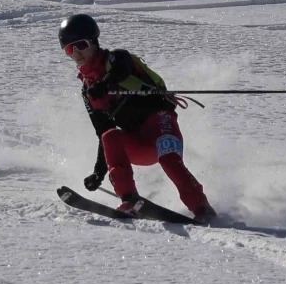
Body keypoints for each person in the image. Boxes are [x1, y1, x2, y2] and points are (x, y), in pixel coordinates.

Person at [59, 13, 217, 223]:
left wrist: (105, 85)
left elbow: (121, 71)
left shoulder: (116, 58)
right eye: (70, 49)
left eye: (81, 44)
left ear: (94, 41)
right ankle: (129, 200)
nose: (77, 53)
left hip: (159, 123)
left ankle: (202, 208)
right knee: (110, 136)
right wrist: (99, 172)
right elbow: (104, 134)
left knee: (169, 159)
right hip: (137, 143)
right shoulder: (89, 91)